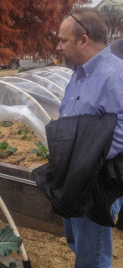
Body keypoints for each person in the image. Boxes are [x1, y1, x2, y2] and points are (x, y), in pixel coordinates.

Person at [54, 7, 123, 268]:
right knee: (78, 242)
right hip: (75, 176)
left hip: (96, 181)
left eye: (63, 40)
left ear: (84, 40)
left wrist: (88, 162)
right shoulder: (80, 74)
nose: (59, 46)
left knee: (92, 256)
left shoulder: (116, 75)